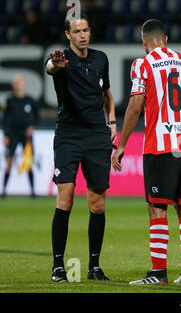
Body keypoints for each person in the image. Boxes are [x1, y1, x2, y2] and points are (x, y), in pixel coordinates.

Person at [111, 19, 181, 285]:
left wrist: (122, 145)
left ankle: (159, 273)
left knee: (156, 207)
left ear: (144, 41)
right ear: (165, 38)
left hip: (160, 146)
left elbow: (135, 106)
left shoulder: (143, 64)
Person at [45, 14, 117, 282]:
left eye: (86, 30)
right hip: (69, 135)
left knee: (97, 204)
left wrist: (112, 121)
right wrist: (55, 64)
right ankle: (58, 266)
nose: (83, 35)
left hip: (97, 136)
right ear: (68, 35)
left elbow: (106, 93)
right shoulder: (60, 58)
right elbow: (50, 67)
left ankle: (94, 267)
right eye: (77, 31)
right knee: (65, 198)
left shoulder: (101, 58)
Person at [1, 74, 39, 198]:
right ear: (13, 85)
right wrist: (6, 135)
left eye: (21, 82)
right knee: (9, 162)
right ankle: (4, 191)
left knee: (28, 161)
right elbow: (5, 119)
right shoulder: (9, 101)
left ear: (24, 84)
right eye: (17, 82)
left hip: (26, 135)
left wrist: (32, 127)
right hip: (12, 135)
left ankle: (33, 191)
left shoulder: (30, 100)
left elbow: (36, 116)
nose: (19, 85)